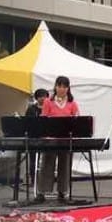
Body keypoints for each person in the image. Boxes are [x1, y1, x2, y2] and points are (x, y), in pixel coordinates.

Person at [35, 76, 80, 204]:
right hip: (51, 139)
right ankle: (42, 192)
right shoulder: (48, 102)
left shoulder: (72, 103)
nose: (61, 89)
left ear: (68, 88)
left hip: (65, 139)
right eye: (59, 86)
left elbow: (77, 120)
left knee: (64, 165)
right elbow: (43, 120)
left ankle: (62, 192)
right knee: (47, 164)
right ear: (55, 87)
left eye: (64, 86)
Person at [25, 88, 49, 185]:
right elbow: (26, 122)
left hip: (47, 137)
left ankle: (46, 179)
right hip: (34, 137)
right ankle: (33, 179)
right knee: (33, 160)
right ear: (36, 98)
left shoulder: (49, 107)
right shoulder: (31, 109)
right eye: (40, 96)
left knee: (48, 159)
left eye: (45, 96)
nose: (43, 98)